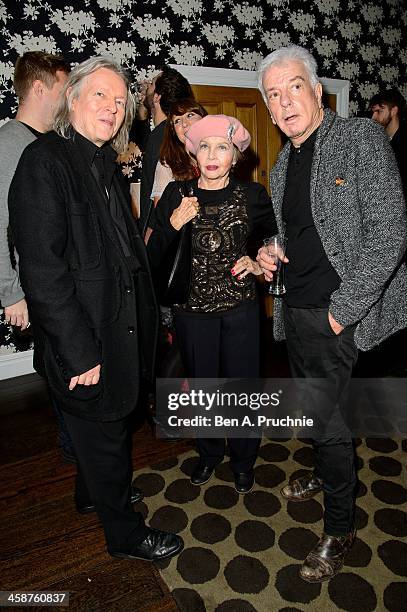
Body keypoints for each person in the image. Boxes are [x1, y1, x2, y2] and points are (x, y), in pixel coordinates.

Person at [9, 56, 183, 562]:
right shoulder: (46, 161)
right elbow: (43, 272)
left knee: (101, 431)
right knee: (105, 434)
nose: (113, 106)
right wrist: (82, 353)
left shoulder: (103, 166)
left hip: (118, 329)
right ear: (73, 99)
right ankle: (126, 535)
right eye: (100, 94)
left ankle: (92, 492)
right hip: (86, 339)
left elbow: (123, 258)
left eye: (120, 98)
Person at [256, 45, 407, 582]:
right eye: (272, 95)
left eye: (293, 86)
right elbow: (303, 232)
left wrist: (342, 313)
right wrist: (273, 251)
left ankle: (339, 529)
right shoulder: (281, 166)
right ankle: (323, 473)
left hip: (337, 314)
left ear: (317, 91)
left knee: (330, 420)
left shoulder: (358, 139)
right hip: (294, 310)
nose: (284, 102)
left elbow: (390, 234)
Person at [147, 115, 277, 494]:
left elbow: (273, 242)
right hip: (192, 314)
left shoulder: (253, 196)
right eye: (204, 146)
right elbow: (151, 256)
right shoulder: (176, 195)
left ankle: (242, 460)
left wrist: (257, 261)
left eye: (222, 146)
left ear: (235, 156)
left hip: (241, 311)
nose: (213, 154)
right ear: (194, 153)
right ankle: (207, 453)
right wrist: (172, 223)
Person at [0, 51, 76, 462]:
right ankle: (79, 459)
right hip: (37, 284)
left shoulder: (52, 142)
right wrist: (10, 293)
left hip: (62, 280)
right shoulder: (9, 143)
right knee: (63, 369)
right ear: (40, 87)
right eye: (64, 88)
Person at [139, 66, 193, 235]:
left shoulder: (162, 136)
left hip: (161, 233)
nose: (147, 84)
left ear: (157, 97)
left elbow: (158, 202)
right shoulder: (166, 133)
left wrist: (148, 241)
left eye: (152, 83)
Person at [145, 97, 207, 241]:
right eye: (177, 121)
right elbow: (161, 217)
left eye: (190, 115)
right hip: (179, 241)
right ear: (174, 131)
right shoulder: (167, 165)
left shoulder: (217, 160)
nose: (184, 124)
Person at [369, 88, 406, 194]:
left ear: (394, 111)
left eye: (379, 111)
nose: (373, 117)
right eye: (373, 112)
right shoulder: (376, 140)